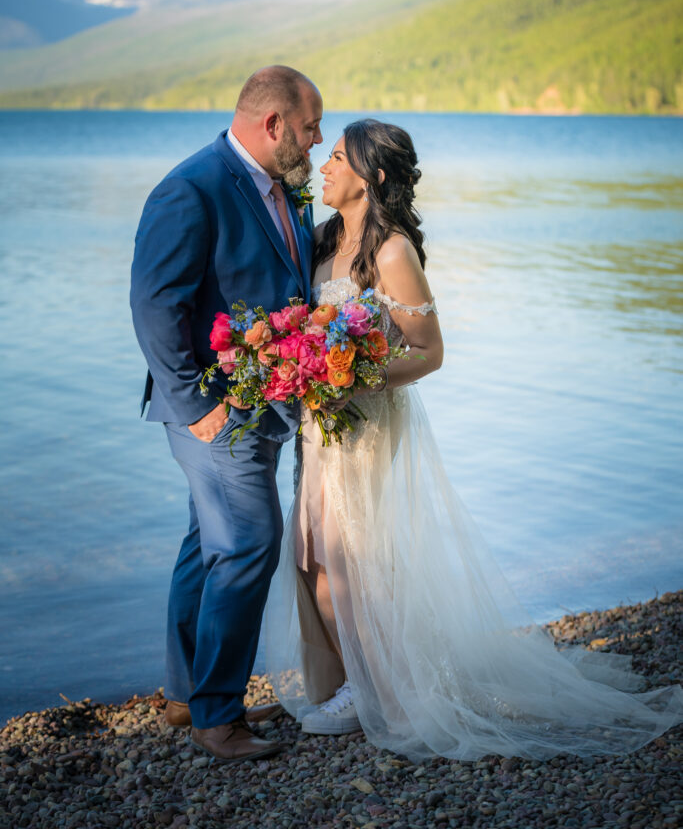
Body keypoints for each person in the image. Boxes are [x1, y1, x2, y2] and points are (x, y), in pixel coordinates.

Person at [264, 118, 683, 760]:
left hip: (366, 424)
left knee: (356, 561)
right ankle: (352, 682)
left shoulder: (393, 251)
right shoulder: (321, 240)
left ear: (373, 177)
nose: (323, 165)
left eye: (339, 158)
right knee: (312, 555)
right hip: (323, 429)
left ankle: (391, 697)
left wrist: (355, 379)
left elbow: (430, 353)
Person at [130, 65, 323, 764]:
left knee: (206, 543)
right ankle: (220, 717)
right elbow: (155, 306)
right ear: (273, 125)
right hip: (217, 411)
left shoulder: (282, 187)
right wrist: (198, 407)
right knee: (248, 544)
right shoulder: (192, 187)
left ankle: (188, 697)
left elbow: (288, 279)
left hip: (265, 407)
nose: (317, 139)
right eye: (309, 127)